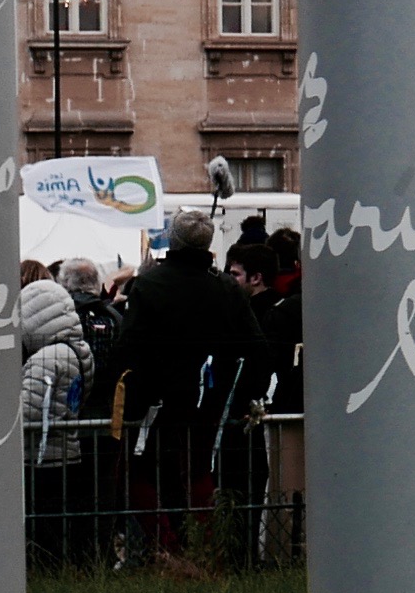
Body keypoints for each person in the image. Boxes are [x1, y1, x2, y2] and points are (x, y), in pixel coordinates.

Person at [92, 210, 256, 556]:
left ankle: (165, 549)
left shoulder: (150, 285)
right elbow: (253, 345)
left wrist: (109, 388)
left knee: (137, 472)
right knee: (197, 472)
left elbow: (129, 343)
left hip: (155, 399)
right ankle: (207, 550)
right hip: (208, 398)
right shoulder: (225, 288)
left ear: (174, 241)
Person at [15, 269, 98, 566]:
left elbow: (27, 412)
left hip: (39, 456)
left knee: (43, 527)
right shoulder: (80, 350)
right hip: (67, 450)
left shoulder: (45, 359)